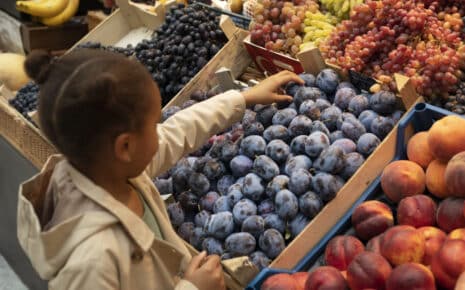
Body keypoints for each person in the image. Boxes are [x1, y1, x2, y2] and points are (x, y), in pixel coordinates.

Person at [16, 48, 303, 290]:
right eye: (154, 124)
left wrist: (242, 99)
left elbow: (177, 132)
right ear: (125, 147)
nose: (161, 130)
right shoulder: (93, 263)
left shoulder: (110, 171)